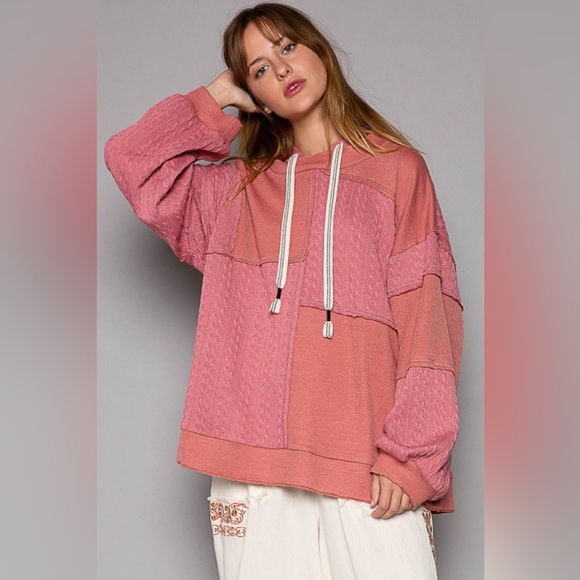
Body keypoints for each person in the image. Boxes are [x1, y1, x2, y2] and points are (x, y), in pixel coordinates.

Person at [104, 3, 463, 578]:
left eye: (287, 47)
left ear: (319, 49)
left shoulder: (398, 171)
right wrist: (215, 97)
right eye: (260, 69)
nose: (282, 69)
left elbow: (429, 318)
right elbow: (131, 160)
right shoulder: (235, 192)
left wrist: (411, 456)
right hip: (252, 466)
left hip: (367, 461)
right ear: (256, 96)